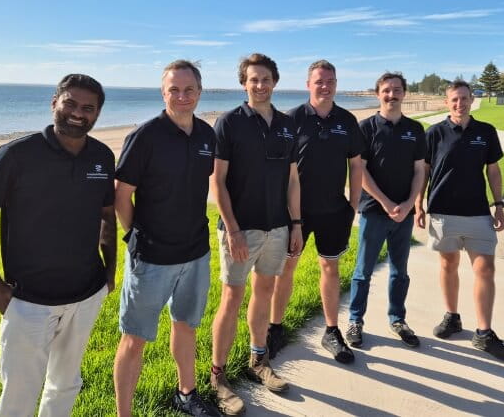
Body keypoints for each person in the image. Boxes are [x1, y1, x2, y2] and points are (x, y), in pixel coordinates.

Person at [0, 74, 116, 417]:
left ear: (97, 114)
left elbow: (108, 215)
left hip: (86, 295)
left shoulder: (102, 157)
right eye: (70, 104)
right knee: (19, 395)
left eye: (88, 108)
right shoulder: (17, 154)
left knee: (66, 384)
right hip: (28, 302)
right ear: (54, 104)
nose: (78, 113)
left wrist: (109, 272)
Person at [112, 60, 220, 417]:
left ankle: (186, 394)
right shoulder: (145, 136)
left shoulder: (207, 135)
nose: (182, 96)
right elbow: (121, 194)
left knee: (186, 326)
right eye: (174, 89)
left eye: (189, 89)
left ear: (200, 93)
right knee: (135, 339)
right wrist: (133, 236)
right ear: (163, 93)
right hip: (152, 257)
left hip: (196, 253)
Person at [209, 53, 303, 415]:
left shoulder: (285, 123)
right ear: (244, 83)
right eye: (253, 79)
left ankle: (257, 360)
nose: (260, 85)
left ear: (274, 82)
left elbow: (293, 179)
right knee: (231, 299)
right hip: (240, 229)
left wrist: (295, 223)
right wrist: (232, 229)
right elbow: (217, 181)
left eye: (265, 79)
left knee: (264, 292)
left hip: (277, 226)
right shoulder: (229, 122)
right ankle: (218, 376)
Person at [268, 60, 363, 363]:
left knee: (330, 268)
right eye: (319, 81)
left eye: (330, 81)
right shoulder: (291, 119)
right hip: (295, 211)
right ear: (308, 84)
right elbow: (278, 167)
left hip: (334, 209)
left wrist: (353, 204)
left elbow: (357, 165)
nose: (325, 86)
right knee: (287, 267)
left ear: (336, 84)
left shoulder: (347, 121)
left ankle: (331, 332)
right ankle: (275, 328)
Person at [415, 80, 504, 361]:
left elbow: (493, 171)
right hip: (442, 212)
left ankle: (484, 333)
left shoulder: (486, 132)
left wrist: (499, 205)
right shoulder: (433, 133)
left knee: (485, 269)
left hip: (478, 213)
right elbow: (423, 171)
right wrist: (418, 205)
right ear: (447, 103)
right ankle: (452, 317)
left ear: (472, 100)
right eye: (454, 100)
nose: (459, 104)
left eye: (464, 98)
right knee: (448, 265)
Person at [346, 72, 425, 349]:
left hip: (404, 214)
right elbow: (360, 171)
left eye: (397, 90)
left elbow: (419, 170)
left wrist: (409, 204)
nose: (392, 95)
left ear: (404, 93)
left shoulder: (415, 129)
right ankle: (355, 320)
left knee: (399, 271)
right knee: (362, 271)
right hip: (374, 211)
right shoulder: (365, 128)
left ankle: (397, 319)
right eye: (386, 90)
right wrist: (386, 203)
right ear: (377, 94)